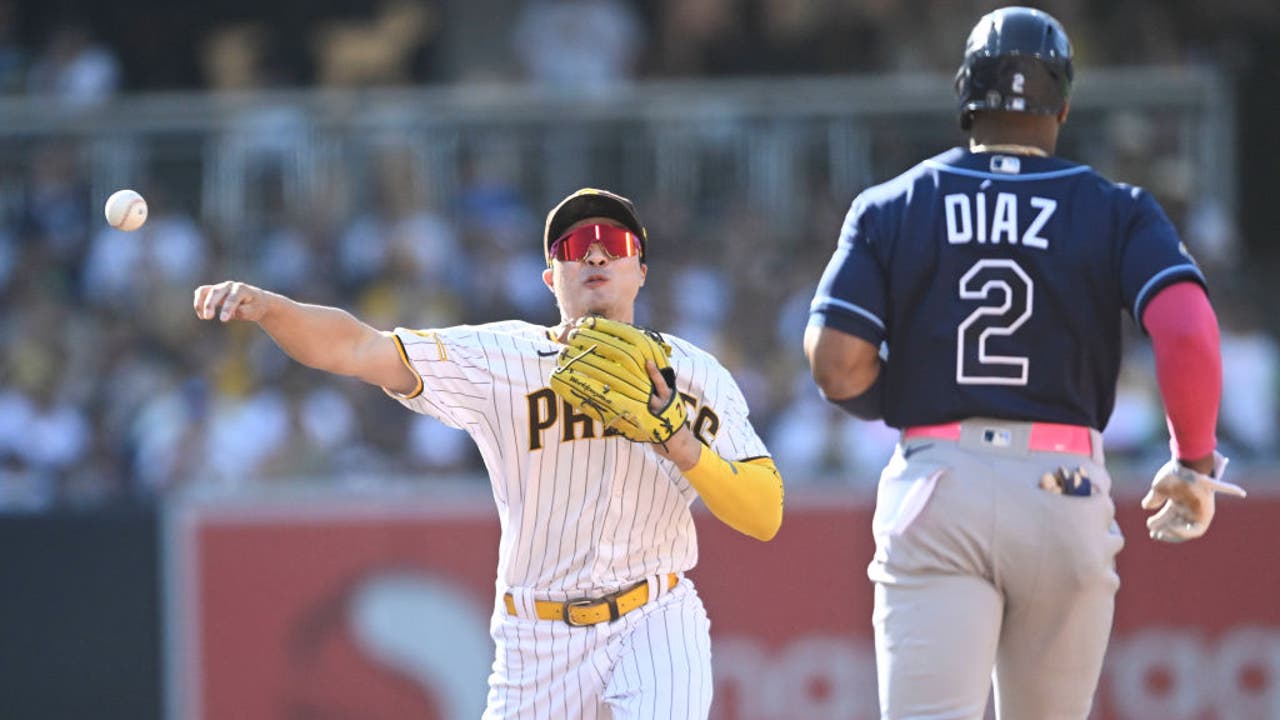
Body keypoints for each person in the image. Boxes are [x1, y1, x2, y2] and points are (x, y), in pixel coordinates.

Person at [803, 7, 1245, 719]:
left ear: (962, 93)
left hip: (938, 484)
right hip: (1062, 485)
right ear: (1064, 106)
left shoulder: (893, 202)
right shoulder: (1116, 208)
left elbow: (837, 366)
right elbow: (1188, 329)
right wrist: (1193, 461)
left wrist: (920, 395)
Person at [194, 187, 784, 719]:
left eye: (614, 243)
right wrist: (271, 308)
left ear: (640, 271)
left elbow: (764, 514)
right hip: (538, 634)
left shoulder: (694, 375)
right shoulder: (503, 359)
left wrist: (678, 440)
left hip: (656, 614)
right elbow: (358, 348)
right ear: (551, 278)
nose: (596, 255)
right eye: (575, 245)